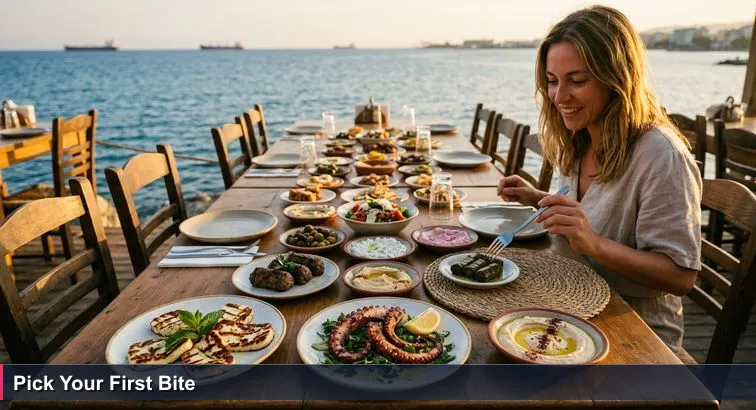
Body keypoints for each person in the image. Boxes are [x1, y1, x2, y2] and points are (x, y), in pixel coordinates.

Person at [497, 5, 702, 354]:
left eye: (577, 81)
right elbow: (598, 211)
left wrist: (593, 244)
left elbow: (680, 276)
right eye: (551, 81)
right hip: (570, 310)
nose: (560, 97)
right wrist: (537, 198)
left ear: (617, 79)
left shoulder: (661, 154)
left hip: (636, 336)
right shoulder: (583, 136)